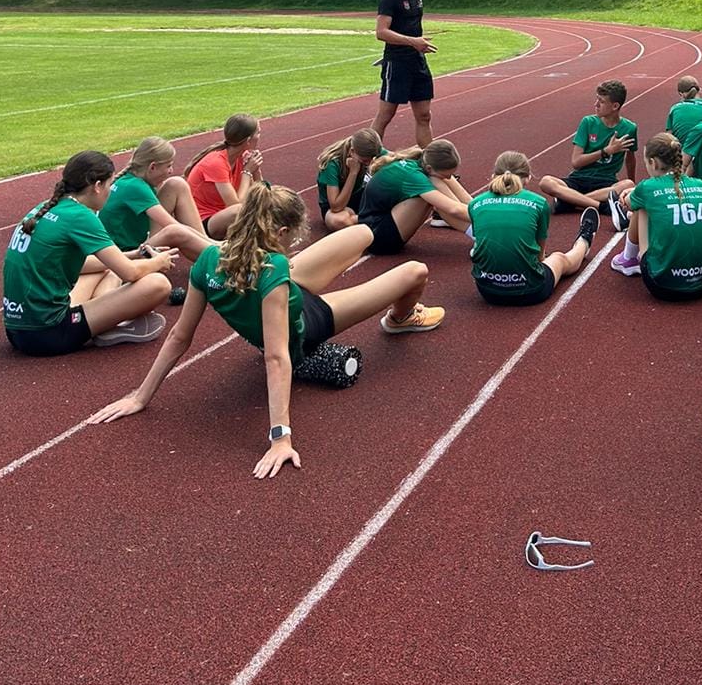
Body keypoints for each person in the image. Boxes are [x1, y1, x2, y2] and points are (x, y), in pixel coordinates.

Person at [89, 185, 445, 477]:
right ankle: (401, 318)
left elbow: (180, 336)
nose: (295, 242)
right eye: (293, 237)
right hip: (308, 323)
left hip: (280, 288)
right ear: (282, 233)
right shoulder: (273, 268)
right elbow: (276, 357)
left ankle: (361, 295)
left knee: (362, 232)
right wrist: (280, 437)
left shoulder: (211, 260)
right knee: (415, 271)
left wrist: (140, 396)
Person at [3, 150, 175, 355]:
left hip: (17, 330)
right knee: (158, 284)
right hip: (49, 333)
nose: (110, 191)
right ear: (97, 186)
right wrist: (159, 262)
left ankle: (104, 325)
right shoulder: (81, 216)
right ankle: (108, 327)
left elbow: (85, 265)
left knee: (107, 270)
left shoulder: (46, 207)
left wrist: (132, 254)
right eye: (109, 184)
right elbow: (130, 273)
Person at [470, 152, 598, 305]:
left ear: (493, 176)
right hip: (531, 291)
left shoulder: (475, 203)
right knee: (559, 258)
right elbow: (539, 255)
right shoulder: (538, 203)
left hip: (488, 291)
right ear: (528, 178)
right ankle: (584, 241)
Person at [610, 133, 702, 299]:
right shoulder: (701, 185)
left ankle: (629, 258)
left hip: (663, 284)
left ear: (653, 162)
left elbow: (629, 202)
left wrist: (631, 192)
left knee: (641, 206)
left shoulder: (647, 187)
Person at [99, 136, 209, 265]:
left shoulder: (131, 180)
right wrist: (216, 245)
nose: (171, 171)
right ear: (152, 167)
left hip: (128, 248)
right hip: (126, 256)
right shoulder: (136, 187)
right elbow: (173, 226)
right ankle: (214, 254)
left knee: (176, 184)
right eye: (168, 166)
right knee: (175, 231)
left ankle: (209, 247)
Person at [356, 138, 471, 253]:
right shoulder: (414, 176)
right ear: (429, 168)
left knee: (437, 183)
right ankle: (476, 233)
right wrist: (481, 216)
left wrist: (478, 206)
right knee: (433, 192)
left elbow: (464, 199)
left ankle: (476, 230)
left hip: (379, 224)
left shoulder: (421, 163)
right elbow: (453, 209)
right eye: (447, 175)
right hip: (378, 237)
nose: (449, 178)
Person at [539, 80, 638, 214]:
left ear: (615, 106)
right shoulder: (588, 122)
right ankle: (601, 206)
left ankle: (571, 201)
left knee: (628, 184)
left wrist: (632, 189)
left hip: (605, 183)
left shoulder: (629, 128)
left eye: (601, 102)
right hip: (579, 179)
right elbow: (576, 162)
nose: (596, 104)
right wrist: (606, 151)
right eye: (597, 99)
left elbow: (630, 159)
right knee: (546, 182)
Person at [372, 0, 436, 147]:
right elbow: (381, 32)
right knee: (386, 115)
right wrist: (413, 42)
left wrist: (419, 42)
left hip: (417, 61)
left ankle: (429, 160)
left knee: (424, 115)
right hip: (397, 62)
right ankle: (364, 157)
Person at [186, 114, 263, 238]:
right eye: (258, 133)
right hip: (201, 222)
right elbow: (235, 206)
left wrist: (256, 171)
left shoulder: (242, 157)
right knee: (239, 212)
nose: (260, 136)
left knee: (267, 205)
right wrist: (247, 172)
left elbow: (260, 195)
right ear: (248, 141)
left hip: (221, 216)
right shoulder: (216, 163)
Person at [316, 127, 382, 231]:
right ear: (352, 151)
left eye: (371, 159)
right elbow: (336, 207)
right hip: (337, 208)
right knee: (337, 221)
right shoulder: (332, 164)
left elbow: (393, 158)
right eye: (364, 161)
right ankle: (372, 219)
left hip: (359, 197)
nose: (368, 164)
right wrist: (353, 172)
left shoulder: (369, 153)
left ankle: (365, 219)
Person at [665, 77, 702, 146]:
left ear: (681, 94)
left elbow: (668, 136)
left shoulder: (675, 108)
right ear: (700, 90)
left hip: (682, 149)